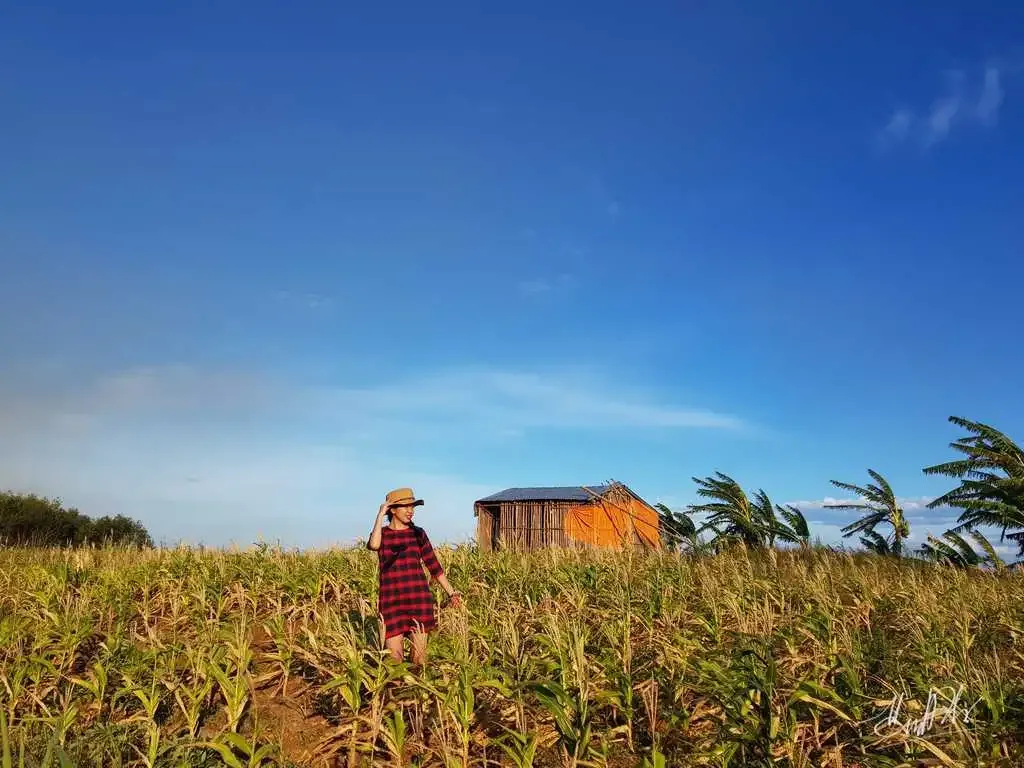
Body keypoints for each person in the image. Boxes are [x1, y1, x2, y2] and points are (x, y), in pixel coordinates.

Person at [366, 487, 461, 666]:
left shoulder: (418, 533)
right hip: (391, 603)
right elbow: (374, 545)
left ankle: (417, 690)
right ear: (392, 510)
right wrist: (380, 515)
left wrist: (451, 592)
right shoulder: (383, 535)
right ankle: (396, 691)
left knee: (419, 659)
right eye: (405, 506)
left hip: (418, 600)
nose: (411, 511)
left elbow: (434, 565)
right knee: (394, 661)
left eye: (413, 506)